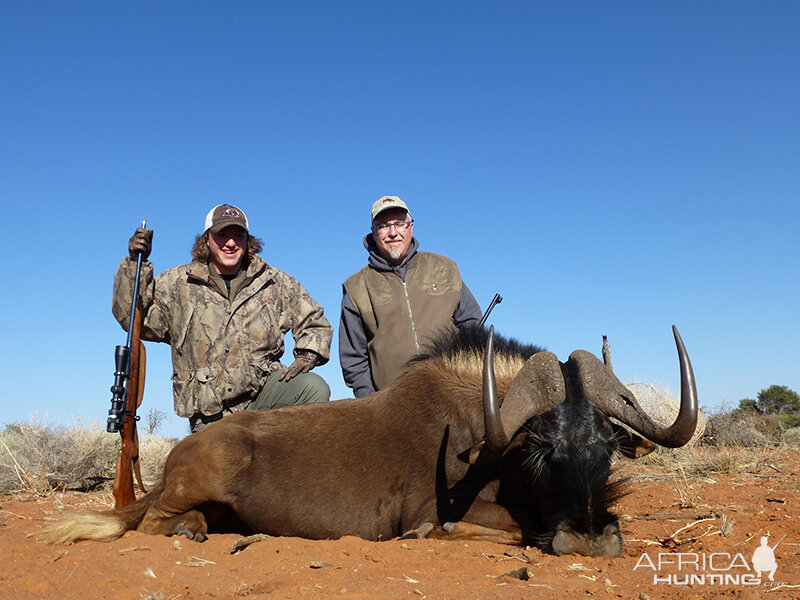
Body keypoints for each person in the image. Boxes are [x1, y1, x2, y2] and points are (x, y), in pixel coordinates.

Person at [113, 204, 333, 431]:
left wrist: (308, 356)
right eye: (222, 235)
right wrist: (133, 266)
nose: (230, 243)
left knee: (313, 388)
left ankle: (290, 463)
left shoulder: (274, 282)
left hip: (262, 398)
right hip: (210, 413)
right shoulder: (178, 282)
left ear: (248, 240)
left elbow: (315, 321)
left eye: (238, 235)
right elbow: (132, 318)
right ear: (206, 239)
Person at [339, 196, 482, 397]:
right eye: (383, 226)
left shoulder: (445, 267)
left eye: (399, 224)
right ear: (373, 232)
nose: (393, 232)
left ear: (411, 227)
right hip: (395, 405)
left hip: (456, 395)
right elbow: (353, 359)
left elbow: (473, 326)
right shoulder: (356, 287)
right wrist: (371, 404)